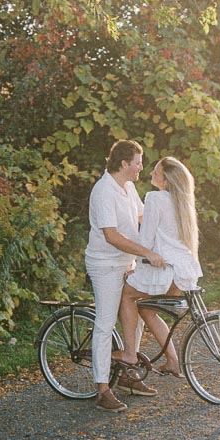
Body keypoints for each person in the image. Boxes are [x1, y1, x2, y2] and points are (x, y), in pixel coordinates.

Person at [84, 139, 168, 413]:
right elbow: (112, 236)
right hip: (106, 264)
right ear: (124, 164)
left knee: (136, 314)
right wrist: (147, 251)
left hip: (128, 261)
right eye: (138, 162)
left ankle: (128, 375)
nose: (141, 168)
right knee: (105, 323)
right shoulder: (103, 191)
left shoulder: (128, 187)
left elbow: (143, 219)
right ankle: (102, 390)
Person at [117, 155, 202, 378]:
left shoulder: (155, 198)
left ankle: (129, 354)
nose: (151, 173)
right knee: (146, 309)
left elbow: (145, 241)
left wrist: (136, 262)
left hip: (167, 272)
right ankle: (173, 360)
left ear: (167, 178)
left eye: (156, 171)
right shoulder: (182, 202)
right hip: (183, 273)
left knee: (127, 296)